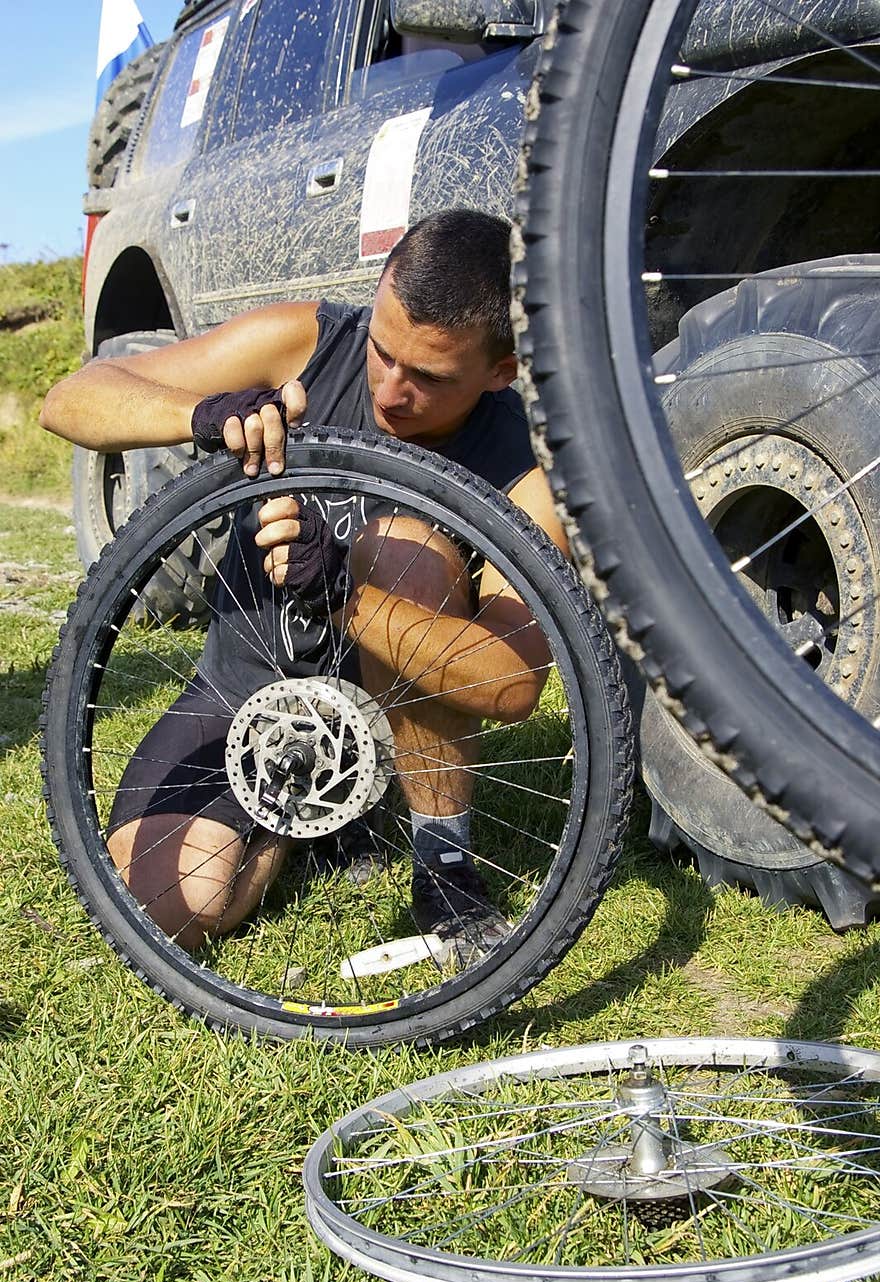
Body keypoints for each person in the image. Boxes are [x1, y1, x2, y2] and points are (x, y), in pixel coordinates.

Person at [40, 208, 568, 957]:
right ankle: (310, 813)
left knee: (404, 547)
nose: (389, 390)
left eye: (429, 377)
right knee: (166, 903)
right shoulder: (308, 342)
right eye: (385, 353)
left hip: (393, 718)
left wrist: (346, 596)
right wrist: (202, 411)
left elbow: (515, 683)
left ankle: (441, 858)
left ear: (501, 371)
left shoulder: (527, 462)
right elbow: (72, 399)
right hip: (245, 694)